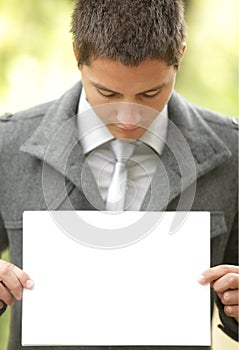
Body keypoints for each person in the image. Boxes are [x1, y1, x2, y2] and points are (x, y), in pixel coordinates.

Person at [0, 0, 238, 349]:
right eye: (107, 92)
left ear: (180, 57)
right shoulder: (7, 146)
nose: (128, 117)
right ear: (77, 55)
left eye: (150, 93)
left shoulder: (233, 153)